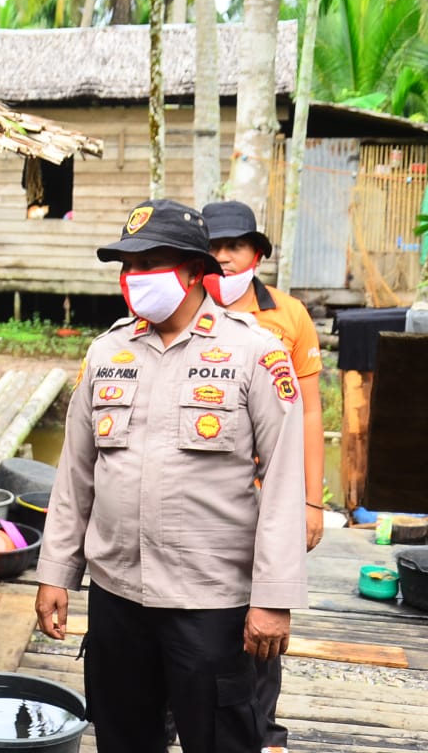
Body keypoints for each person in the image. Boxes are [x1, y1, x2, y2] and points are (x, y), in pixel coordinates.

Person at [34, 199, 308, 753]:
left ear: (190, 268)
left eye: (148, 264)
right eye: (126, 266)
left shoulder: (254, 352)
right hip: (117, 599)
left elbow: (284, 481)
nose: (134, 278)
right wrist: (55, 572)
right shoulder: (107, 351)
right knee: (124, 738)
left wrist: (274, 597)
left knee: (221, 740)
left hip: (210, 603)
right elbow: (75, 475)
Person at [202, 199, 326, 753]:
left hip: (267, 497)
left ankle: (262, 731)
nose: (223, 257)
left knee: (262, 619)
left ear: (257, 252)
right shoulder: (184, 309)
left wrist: (311, 501)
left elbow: (311, 410)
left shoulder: (290, 316)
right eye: (213, 247)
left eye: (234, 246)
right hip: (206, 498)